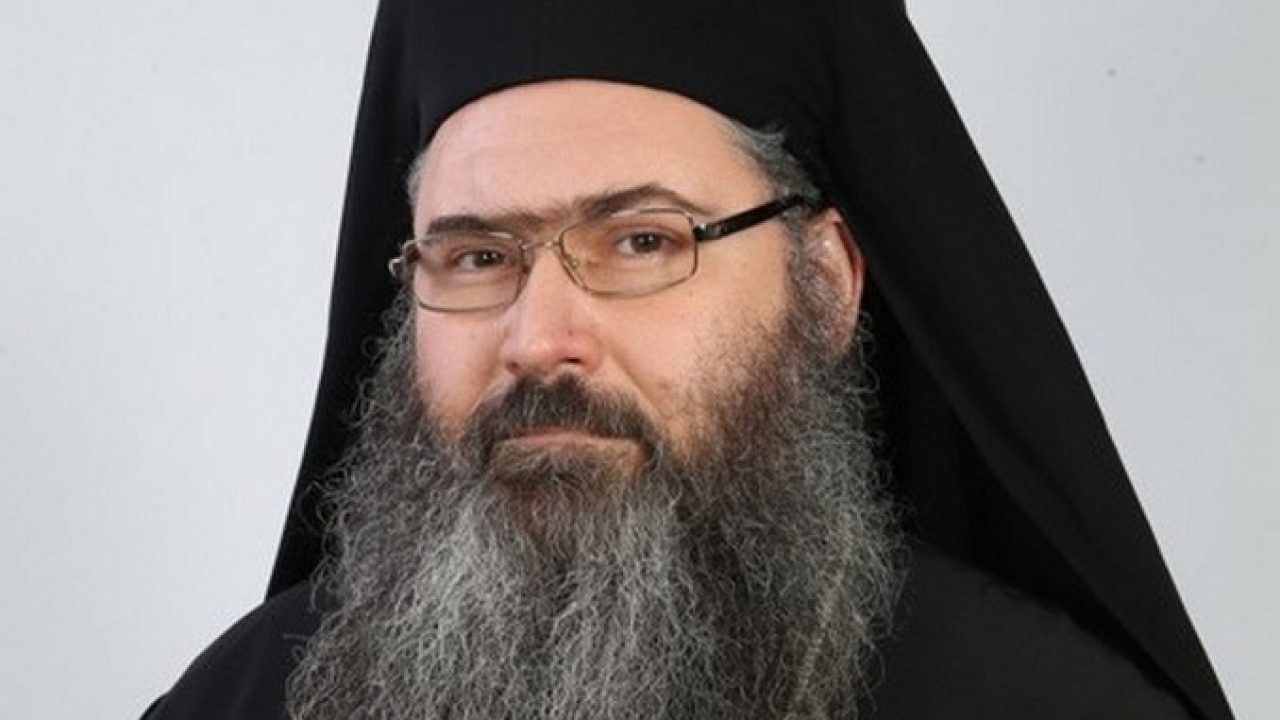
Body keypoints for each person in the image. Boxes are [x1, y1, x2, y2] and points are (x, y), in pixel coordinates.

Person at [143, 0, 1234, 718]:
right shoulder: (240, 705)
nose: (538, 339)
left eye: (641, 242)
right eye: (477, 257)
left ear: (825, 284)